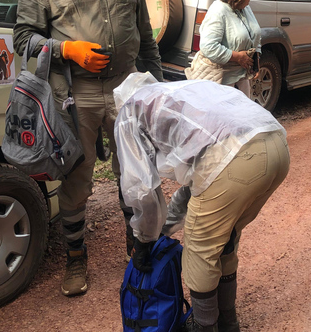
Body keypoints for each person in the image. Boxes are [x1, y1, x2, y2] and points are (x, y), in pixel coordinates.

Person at [13, 0, 163, 297]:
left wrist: (159, 89)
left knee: (137, 174)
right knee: (76, 181)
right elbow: (22, 38)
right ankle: (76, 257)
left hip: (125, 87)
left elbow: (144, 33)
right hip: (73, 95)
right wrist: (67, 50)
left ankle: (139, 249)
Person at [114, 73, 289, 332]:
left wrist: (144, 240)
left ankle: (205, 326)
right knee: (225, 238)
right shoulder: (184, 94)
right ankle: (228, 323)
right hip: (276, 145)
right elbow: (197, 184)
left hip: (237, 159)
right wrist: (163, 230)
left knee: (199, 249)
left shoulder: (130, 112)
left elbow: (142, 192)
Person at [185, 0, 260, 96]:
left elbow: (255, 34)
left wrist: (255, 61)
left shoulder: (245, 8)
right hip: (218, 79)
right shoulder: (218, 11)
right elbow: (208, 47)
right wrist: (237, 57)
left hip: (240, 76)